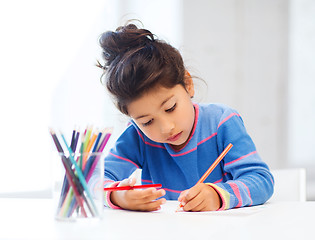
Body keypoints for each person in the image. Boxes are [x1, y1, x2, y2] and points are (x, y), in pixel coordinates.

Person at [93, 22, 274, 212]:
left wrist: (218, 195)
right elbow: (90, 179)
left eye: (170, 108)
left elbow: (261, 180)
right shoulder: (137, 137)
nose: (166, 127)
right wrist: (116, 195)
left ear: (188, 84)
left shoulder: (222, 122)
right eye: (147, 122)